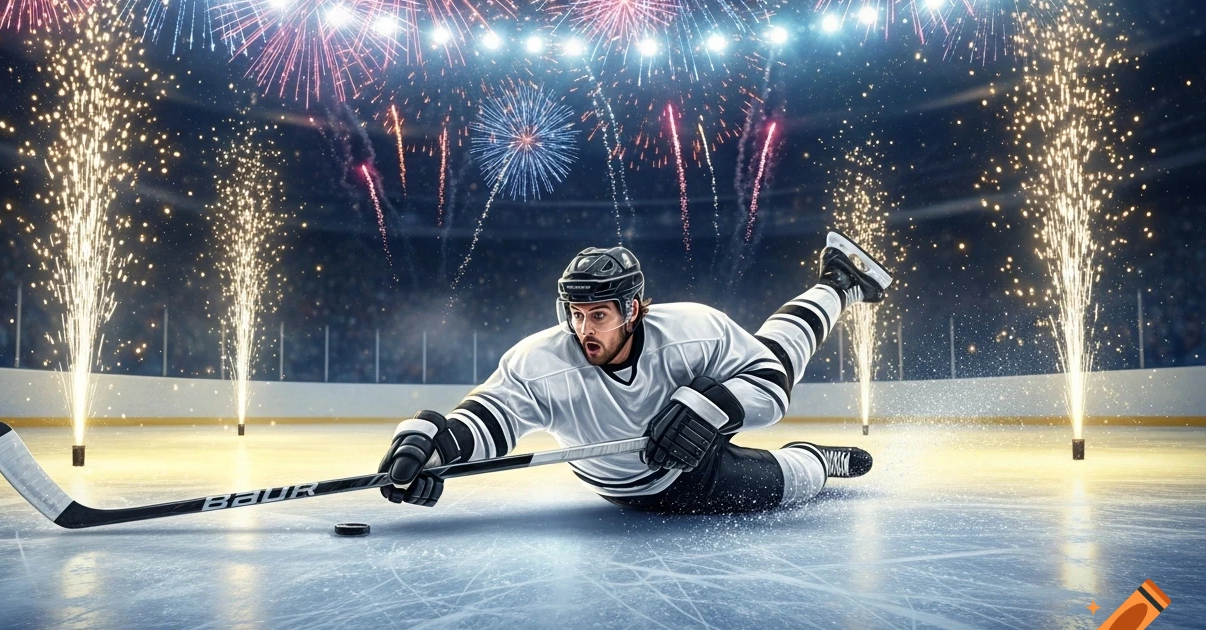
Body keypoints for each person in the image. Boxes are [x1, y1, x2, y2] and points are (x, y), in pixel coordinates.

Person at [378, 232, 891, 514]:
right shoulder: (540, 361)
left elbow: (771, 382)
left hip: (698, 453)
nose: (584, 329)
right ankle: (813, 450)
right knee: (790, 467)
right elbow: (489, 419)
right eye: (576, 314)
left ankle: (838, 285)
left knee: (779, 376)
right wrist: (436, 448)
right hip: (641, 485)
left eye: (599, 314)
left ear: (634, 310)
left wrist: (715, 406)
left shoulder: (692, 329)